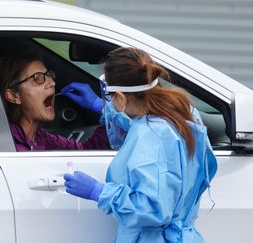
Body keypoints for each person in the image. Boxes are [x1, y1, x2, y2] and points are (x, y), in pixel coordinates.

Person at [63, 47, 218, 243]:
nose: (109, 102)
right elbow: (139, 122)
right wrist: (100, 108)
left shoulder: (149, 137)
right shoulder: (182, 112)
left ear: (120, 97)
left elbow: (153, 209)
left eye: (110, 97)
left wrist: (99, 191)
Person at [0, 49, 109, 151]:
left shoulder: (41, 138)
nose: (52, 83)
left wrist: (104, 109)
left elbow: (85, 152)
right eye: (38, 78)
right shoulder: (6, 146)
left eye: (48, 75)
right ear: (14, 96)